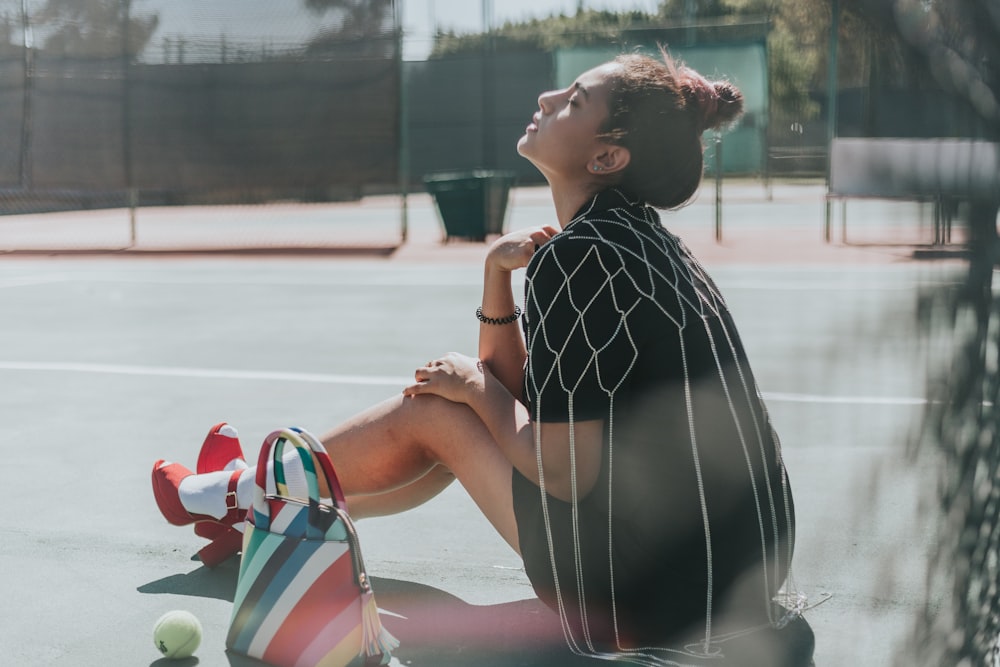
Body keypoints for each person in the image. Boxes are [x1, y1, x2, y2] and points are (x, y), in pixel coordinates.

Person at [153, 50, 805, 664]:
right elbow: (531, 401)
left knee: (440, 409)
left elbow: (561, 469)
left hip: (647, 603)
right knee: (459, 403)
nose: (549, 98)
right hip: (740, 578)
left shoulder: (581, 258)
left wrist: (472, 385)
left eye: (575, 101)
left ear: (607, 156)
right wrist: (496, 276)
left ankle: (236, 491)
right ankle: (248, 502)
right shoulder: (643, 242)